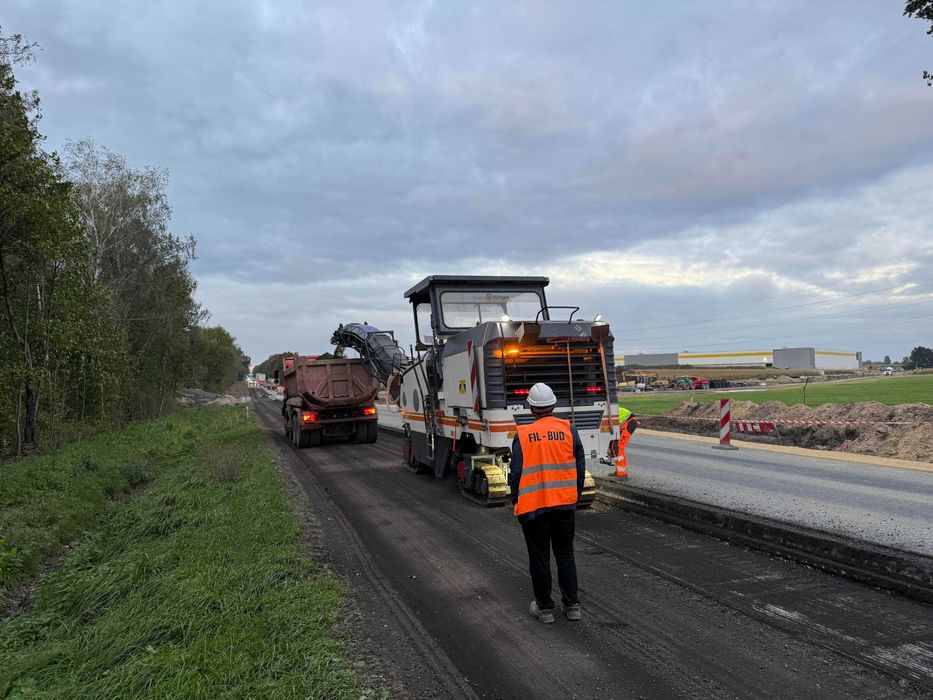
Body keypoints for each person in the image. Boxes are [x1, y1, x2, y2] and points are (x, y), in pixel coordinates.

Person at [508, 382, 586, 624]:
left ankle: (544, 609)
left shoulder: (522, 435)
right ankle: (572, 606)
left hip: (534, 508)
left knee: (539, 557)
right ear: (554, 405)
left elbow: (516, 475)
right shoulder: (569, 430)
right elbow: (580, 468)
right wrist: (574, 497)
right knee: (565, 553)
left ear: (531, 409)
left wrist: (516, 502)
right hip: (564, 504)